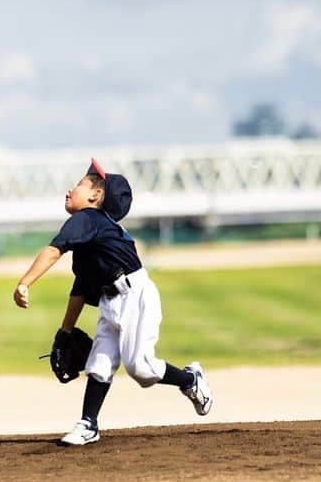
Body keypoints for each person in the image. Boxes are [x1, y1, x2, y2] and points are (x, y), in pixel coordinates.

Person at [12, 157, 213, 446]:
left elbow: (54, 251)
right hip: (112, 300)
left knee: (141, 369)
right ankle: (88, 424)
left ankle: (190, 380)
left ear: (95, 196)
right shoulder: (91, 235)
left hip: (136, 296)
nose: (70, 189)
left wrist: (25, 282)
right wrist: (65, 330)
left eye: (80, 184)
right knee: (100, 363)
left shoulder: (86, 219)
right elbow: (80, 287)